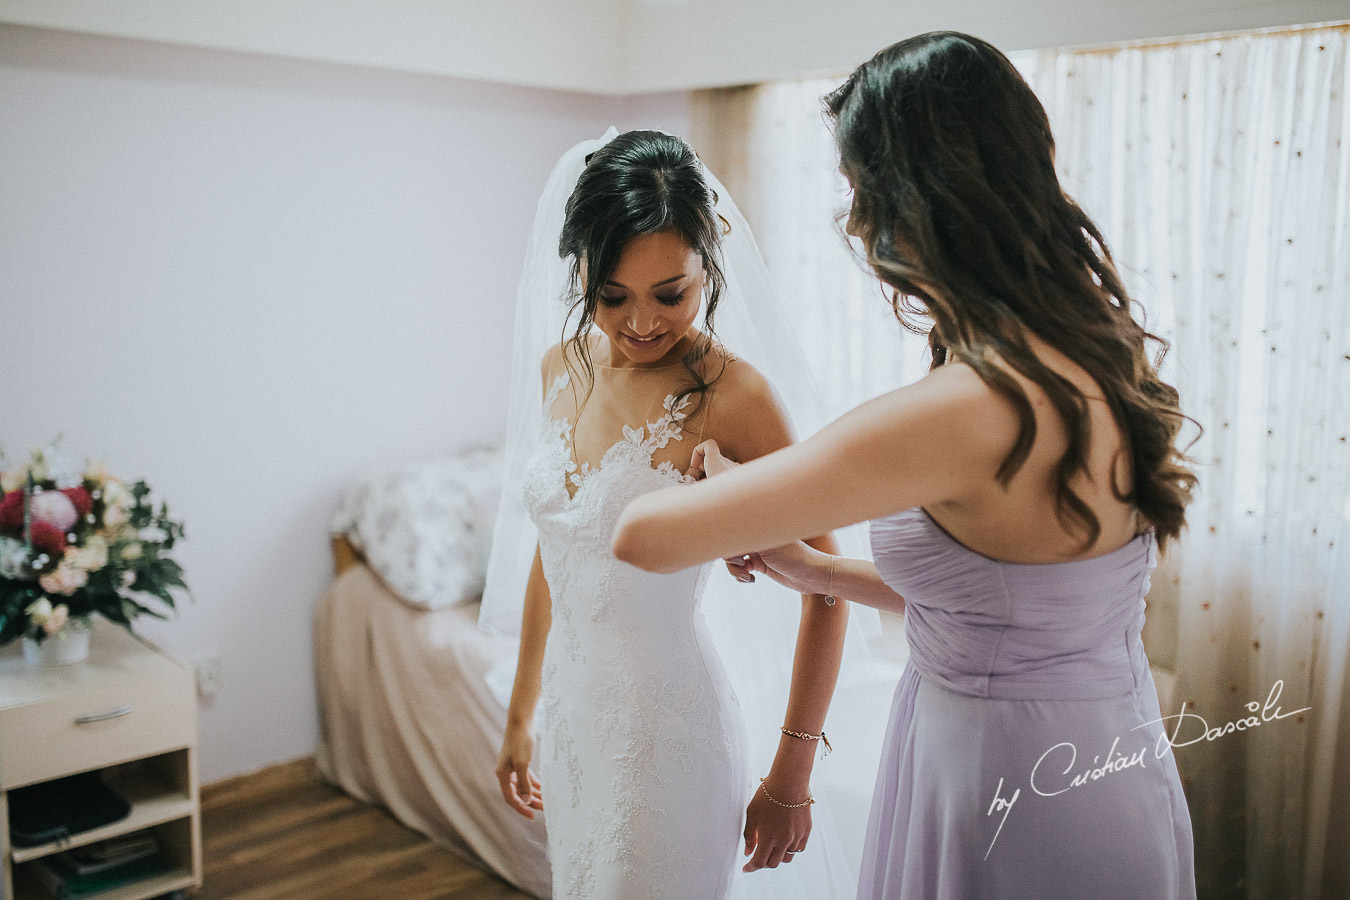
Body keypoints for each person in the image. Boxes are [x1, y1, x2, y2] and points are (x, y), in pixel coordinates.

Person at [613, 32, 1199, 900]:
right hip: (1104, 758)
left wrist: (725, 476)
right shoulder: (1099, 354)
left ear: (919, 199)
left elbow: (643, 537)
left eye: (858, 191)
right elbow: (1008, 606)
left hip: (1005, 787)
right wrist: (813, 566)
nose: (853, 223)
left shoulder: (963, 409)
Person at [488, 129, 859, 899]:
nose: (643, 323)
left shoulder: (737, 397)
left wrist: (792, 773)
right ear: (579, 268)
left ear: (709, 264)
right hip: (574, 724)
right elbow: (557, 551)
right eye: (611, 295)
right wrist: (522, 712)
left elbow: (829, 583)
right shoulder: (560, 368)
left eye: (672, 293)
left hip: (669, 739)